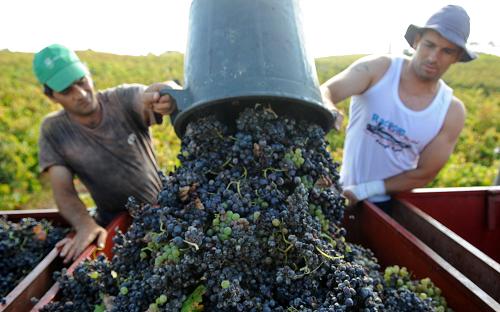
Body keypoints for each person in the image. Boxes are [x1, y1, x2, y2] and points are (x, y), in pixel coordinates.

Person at [320, 5, 477, 212]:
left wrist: (365, 190)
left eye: (446, 51)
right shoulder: (379, 69)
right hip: (340, 192)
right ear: (416, 41)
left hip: (389, 206)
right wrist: (329, 110)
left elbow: (425, 173)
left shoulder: (451, 111)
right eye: (429, 45)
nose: (433, 57)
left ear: (456, 57)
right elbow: (326, 91)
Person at [33, 44, 178, 263]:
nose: (80, 93)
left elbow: (147, 93)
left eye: (81, 81)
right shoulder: (54, 130)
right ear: (52, 97)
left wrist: (166, 92)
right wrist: (84, 224)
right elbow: (64, 191)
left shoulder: (121, 100)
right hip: (115, 224)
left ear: (88, 73)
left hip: (163, 211)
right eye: (66, 91)